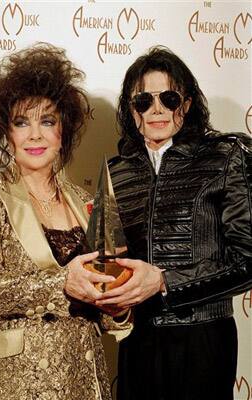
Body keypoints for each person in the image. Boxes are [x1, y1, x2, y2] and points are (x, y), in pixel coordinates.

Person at [0, 43, 126, 400]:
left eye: (47, 121)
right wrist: (64, 283)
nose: (35, 135)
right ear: (7, 132)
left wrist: (119, 305)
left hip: (83, 379)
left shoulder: (88, 202)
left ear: (64, 130)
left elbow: (105, 302)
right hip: (16, 383)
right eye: (22, 122)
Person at [96, 46, 252, 400]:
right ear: (130, 109)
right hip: (138, 340)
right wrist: (112, 298)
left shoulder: (225, 157)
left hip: (204, 339)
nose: (157, 110)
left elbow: (248, 261)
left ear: (187, 102)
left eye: (168, 97)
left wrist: (165, 281)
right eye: (143, 101)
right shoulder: (114, 173)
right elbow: (107, 260)